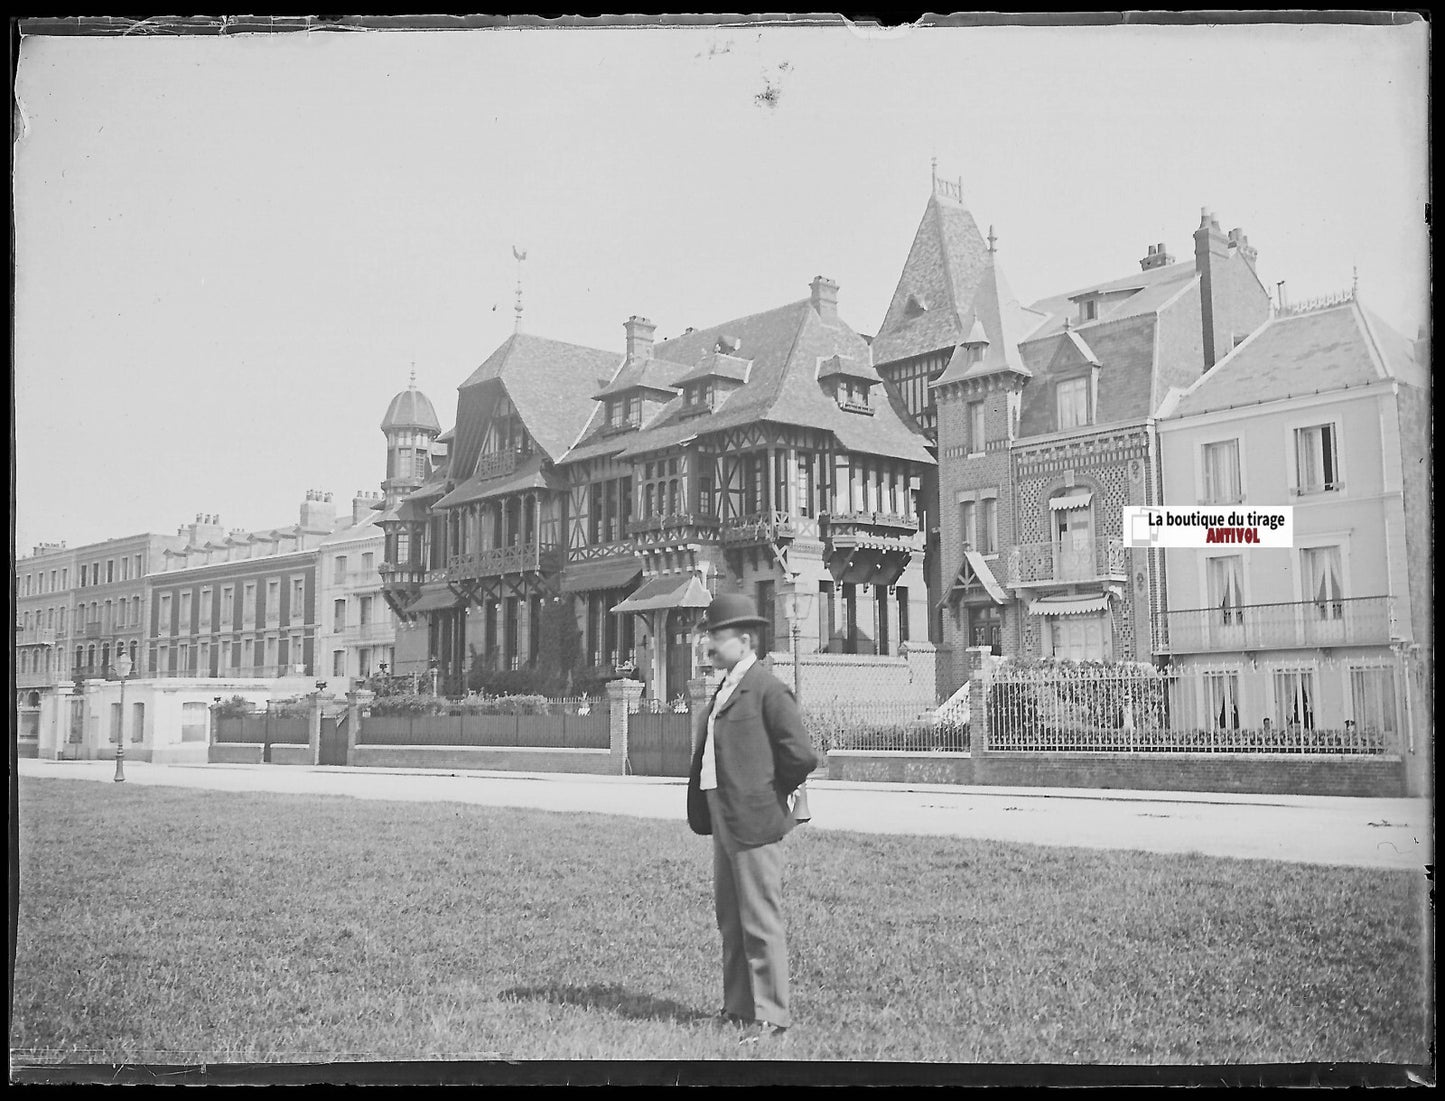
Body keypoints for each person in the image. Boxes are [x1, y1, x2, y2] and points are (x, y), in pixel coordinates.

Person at [686, 593, 818, 1045]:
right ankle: (739, 1007)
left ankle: (772, 1016)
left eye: (715, 635)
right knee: (731, 917)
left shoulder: (767, 689)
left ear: (743, 641)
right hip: (722, 816)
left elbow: (800, 755)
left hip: (755, 819)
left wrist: (769, 794)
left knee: (760, 918)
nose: (708, 643)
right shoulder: (726, 686)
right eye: (707, 634)